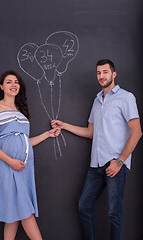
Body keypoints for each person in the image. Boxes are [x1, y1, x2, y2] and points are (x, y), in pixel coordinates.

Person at [51, 59, 142, 240]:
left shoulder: (126, 97)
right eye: (99, 73)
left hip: (115, 164)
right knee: (84, 205)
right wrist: (64, 125)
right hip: (96, 164)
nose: (101, 76)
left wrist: (120, 161)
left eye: (105, 72)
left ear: (113, 74)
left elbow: (137, 132)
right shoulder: (97, 100)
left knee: (114, 213)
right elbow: (90, 132)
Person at [0, 70, 60, 240]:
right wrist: (10, 161)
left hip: (24, 167)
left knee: (13, 214)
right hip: (8, 165)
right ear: (2, 86)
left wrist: (47, 134)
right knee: (26, 212)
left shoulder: (20, 111)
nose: (13, 85)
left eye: (16, 82)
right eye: (9, 82)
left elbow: (25, 142)